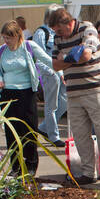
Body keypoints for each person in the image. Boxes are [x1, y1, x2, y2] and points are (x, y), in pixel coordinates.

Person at [50, 8, 100, 188]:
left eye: (59, 30)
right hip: (73, 92)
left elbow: (86, 55)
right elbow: (55, 65)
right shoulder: (57, 38)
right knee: (80, 135)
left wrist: (65, 56)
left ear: (69, 23)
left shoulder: (87, 29)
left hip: (94, 90)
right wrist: (74, 55)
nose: (58, 35)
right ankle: (89, 172)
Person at [0, 21, 40, 175]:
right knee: (11, 131)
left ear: (18, 36)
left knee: (29, 129)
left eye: (9, 38)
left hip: (26, 93)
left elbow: (47, 59)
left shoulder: (28, 47)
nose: (6, 41)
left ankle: (31, 164)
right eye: (4, 38)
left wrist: (60, 72)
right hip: (8, 93)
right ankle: (16, 166)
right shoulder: (2, 50)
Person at [26, 10, 66, 144]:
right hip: (50, 73)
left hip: (61, 72)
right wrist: (52, 71)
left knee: (64, 103)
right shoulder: (41, 32)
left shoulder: (59, 32)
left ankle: (44, 128)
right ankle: (54, 136)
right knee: (52, 105)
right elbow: (40, 56)